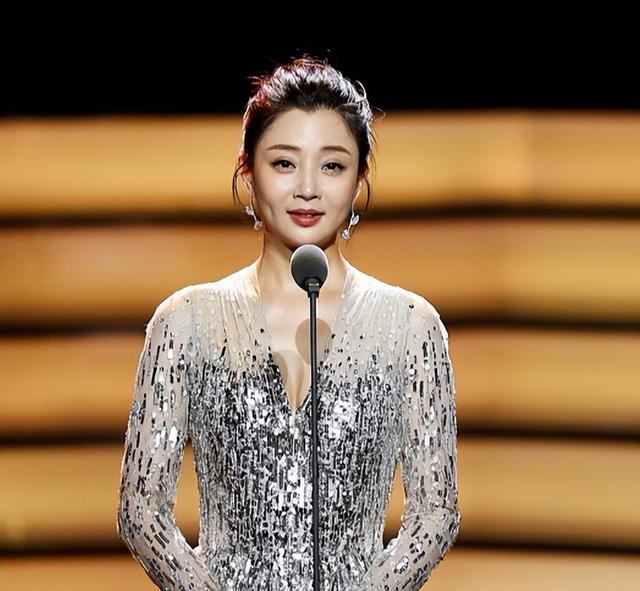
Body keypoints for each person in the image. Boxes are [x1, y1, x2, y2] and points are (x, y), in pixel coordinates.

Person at [117, 55, 460, 590]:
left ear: (360, 178)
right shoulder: (186, 324)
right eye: (283, 163)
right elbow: (141, 508)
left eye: (332, 166)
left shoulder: (411, 327)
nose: (307, 188)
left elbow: (436, 514)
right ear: (247, 171)